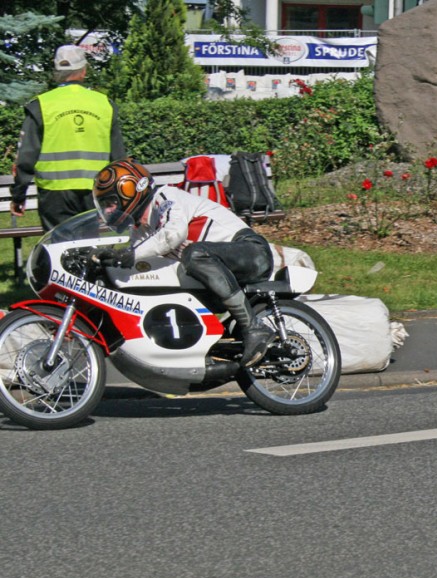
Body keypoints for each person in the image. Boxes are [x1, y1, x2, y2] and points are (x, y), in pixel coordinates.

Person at [90, 158, 276, 368]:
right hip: (219, 270)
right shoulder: (141, 230)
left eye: (110, 203)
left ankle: (254, 327)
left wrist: (129, 255)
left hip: (251, 252)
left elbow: (174, 234)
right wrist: (104, 260)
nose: (107, 212)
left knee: (194, 254)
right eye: (104, 206)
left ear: (131, 191)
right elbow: (136, 260)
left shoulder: (167, 198)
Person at [11, 45, 126, 231]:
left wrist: (18, 195)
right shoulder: (104, 104)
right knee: (89, 249)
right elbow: (119, 157)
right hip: (94, 190)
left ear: (57, 71)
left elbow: (26, 157)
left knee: (57, 247)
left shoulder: (41, 105)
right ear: (84, 71)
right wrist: (116, 195)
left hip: (54, 192)